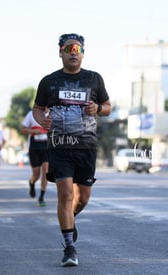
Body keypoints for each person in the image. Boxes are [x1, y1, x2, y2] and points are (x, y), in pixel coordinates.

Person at [32, 33, 111, 267]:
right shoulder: (49, 81)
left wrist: (98, 108)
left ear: (83, 53)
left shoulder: (94, 79)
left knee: (83, 198)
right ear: (61, 52)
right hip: (59, 147)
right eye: (69, 49)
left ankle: (69, 220)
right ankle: (69, 247)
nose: (73, 53)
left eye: (78, 49)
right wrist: (41, 120)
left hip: (86, 147)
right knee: (65, 194)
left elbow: (107, 106)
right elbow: (37, 108)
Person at [20, 109, 49, 207]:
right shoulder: (32, 114)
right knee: (36, 174)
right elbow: (22, 129)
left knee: (46, 172)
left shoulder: (53, 113)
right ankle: (31, 183)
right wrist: (33, 131)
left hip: (47, 147)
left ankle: (41, 197)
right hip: (34, 147)